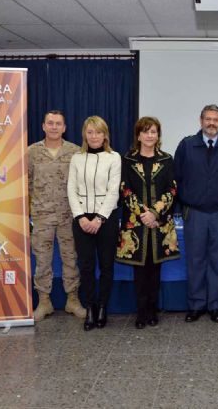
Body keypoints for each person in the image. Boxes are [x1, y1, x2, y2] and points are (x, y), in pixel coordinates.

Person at [174, 104, 218, 323]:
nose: (212, 123)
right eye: (208, 119)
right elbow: (177, 179)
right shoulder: (186, 145)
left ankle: (215, 306)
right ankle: (195, 305)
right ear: (201, 120)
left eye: (216, 119)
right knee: (195, 260)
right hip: (194, 213)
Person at [116, 117, 180, 329]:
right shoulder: (128, 160)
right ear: (138, 135)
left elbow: (172, 189)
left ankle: (153, 311)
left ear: (158, 135)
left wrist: (154, 213)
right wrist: (143, 213)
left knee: (155, 271)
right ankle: (141, 312)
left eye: (153, 132)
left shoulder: (166, 159)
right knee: (140, 273)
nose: (150, 135)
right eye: (146, 132)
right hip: (136, 225)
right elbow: (124, 189)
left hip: (159, 225)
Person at [28, 110, 86, 321]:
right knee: (42, 261)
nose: (54, 127)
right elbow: (27, 184)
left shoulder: (76, 152)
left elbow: (82, 184)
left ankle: (73, 300)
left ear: (64, 128)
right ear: (43, 126)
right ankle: (44, 302)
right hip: (42, 217)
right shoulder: (31, 152)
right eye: (50, 123)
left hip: (69, 216)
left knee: (71, 258)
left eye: (58, 124)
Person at [68, 116, 121, 331]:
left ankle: (102, 307)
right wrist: (81, 217)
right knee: (87, 266)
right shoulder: (76, 158)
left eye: (98, 132)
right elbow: (71, 189)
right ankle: (90, 306)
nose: (94, 136)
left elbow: (113, 190)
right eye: (90, 132)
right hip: (81, 218)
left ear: (105, 134)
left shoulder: (114, 157)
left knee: (107, 266)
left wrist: (99, 218)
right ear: (84, 134)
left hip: (106, 218)